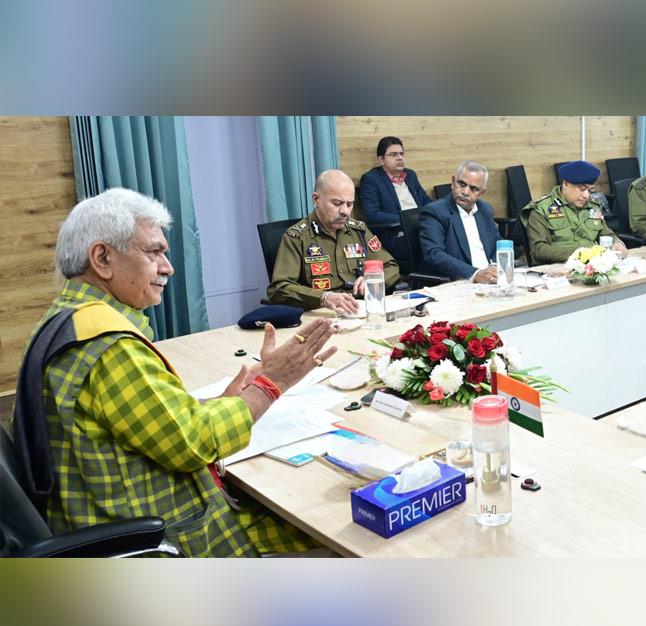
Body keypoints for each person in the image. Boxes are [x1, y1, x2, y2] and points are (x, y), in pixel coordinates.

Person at [12, 188, 337, 557]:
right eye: (153, 252)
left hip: (110, 510)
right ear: (102, 258)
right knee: (327, 521)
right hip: (163, 534)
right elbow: (194, 443)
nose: (168, 267)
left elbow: (157, 425)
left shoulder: (66, 318)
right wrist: (271, 383)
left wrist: (232, 399)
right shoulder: (108, 347)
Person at [267, 170, 402, 314]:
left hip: (360, 311)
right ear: (316, 199)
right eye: (337, 203)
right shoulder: (297, 237)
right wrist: (324, 297)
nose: (344, 211)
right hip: (322, 314)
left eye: (349, 204)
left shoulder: (359, 231)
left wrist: (371, 280)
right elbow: (279, 288)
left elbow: (391, 266)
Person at [522, 160, 629, 264]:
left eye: (590, 190)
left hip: (592, 267)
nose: (586, 195)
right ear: (565, 184)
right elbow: (539, 250)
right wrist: (581, 253)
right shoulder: (542, 209)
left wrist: (617, 243)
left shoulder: (592, 207)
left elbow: (606, 234)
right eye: (582, 189)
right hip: (557, 269)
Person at [418, 160, 501, 282]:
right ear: (453, 182)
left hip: (491, 280)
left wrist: (494, 267)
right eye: (462, 184)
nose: (465, 192)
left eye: (473, 189)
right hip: (461, 281)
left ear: (482, 192)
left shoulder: (485, 210)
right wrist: (475, 274)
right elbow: (434, 254)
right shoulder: (435, 212)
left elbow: (498, 243)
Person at [358, 136, 433, 225]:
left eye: (401, 154)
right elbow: (372, 215)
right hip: (397, 230)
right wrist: (408, 219)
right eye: (394, 154)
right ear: (381, 160)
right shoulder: (371, 179)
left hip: (422, 225)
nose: (400, 158)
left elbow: (427, 201)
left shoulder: (410, 175)